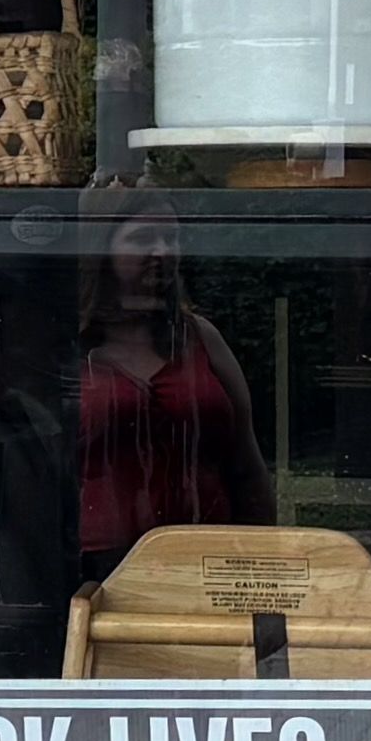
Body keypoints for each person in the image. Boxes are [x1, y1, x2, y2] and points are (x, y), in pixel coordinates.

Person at [74, 201, 272, 576]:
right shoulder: (70, 350)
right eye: (144, 239)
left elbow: (247, 466)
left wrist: (264, 560)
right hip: (97, 569)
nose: (163, 252)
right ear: (102, 251)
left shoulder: (200, 338)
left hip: (209, 559)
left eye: (172, 238)